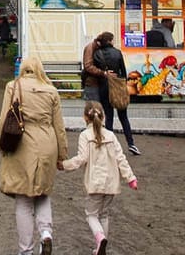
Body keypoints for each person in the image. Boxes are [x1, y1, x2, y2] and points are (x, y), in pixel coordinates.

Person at [1, 55, 68, 255]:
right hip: (47, 143)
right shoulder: (51, 91)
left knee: (23, 198)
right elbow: (59, 126)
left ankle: (26, 250)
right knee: (43, 193)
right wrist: (61, 154)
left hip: (22, 143)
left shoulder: (12, 87)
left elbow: (3, 119)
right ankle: (46, 233)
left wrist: (3, 143)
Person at [59, 101, 139, 255]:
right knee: (104, 214)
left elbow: (81, 158)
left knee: (91, 215)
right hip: (110, 184)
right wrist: (131, 178)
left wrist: (64, 165)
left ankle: (100, 238)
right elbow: (120, 158)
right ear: (103, 117)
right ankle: (101, 248)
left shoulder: (85, 135)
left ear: (85, 117)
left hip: (94, 183)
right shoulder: (111, 135)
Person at [82, 31, 140, 155]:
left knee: (108, 116)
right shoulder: (118, 53)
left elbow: (93, 70)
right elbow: (123, 72)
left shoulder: (97, 53)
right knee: (123, 117)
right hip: (118, 87)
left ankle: (109, 145)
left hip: (104, 86)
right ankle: (131, 143)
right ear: (109, 41)